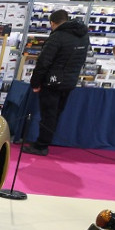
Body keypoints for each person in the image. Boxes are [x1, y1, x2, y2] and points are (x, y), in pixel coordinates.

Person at [22, 10, 90, 156]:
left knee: (48, 115)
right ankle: (43, 142)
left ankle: (41, 146)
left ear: (52, 23)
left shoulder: (57, 37)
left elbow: (43, 62)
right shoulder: (83, 36)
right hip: (69, 81)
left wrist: (35, 83)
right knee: (55, 114)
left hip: (52, 82)